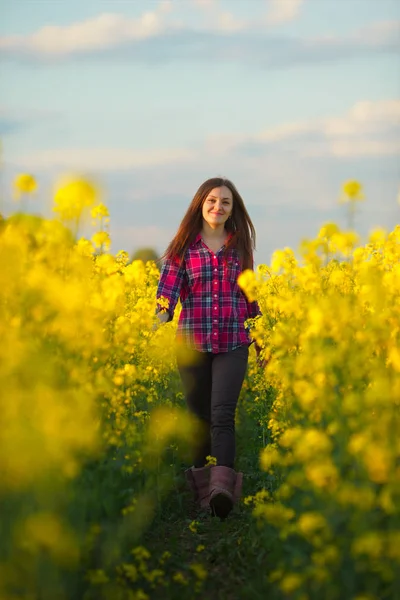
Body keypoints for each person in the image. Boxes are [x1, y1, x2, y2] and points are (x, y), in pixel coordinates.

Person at [155, 177, 262, 519]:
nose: (219, 207)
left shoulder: (240, 249)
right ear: (200, 204)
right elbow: (167, 294)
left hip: (232, 342)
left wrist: (263, 342)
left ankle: (221, 494)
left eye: (226, 202)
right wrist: (156, 319)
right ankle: (203, 497)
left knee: (222, 416)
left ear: (233, 210)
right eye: (213, 200)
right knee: (199, 419)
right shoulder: (182, 249)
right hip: (193, 345)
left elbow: (251, 300)